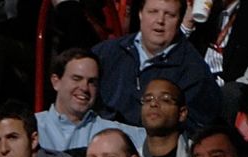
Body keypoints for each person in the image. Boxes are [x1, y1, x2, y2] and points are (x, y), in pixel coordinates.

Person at [93, 0, 221, 134]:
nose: (160, 20)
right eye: (153, 12)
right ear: (140, 14)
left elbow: (199, 129)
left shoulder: (195, 71)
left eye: (169, 15)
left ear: (179, 20)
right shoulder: (106, 53)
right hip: (98, 138)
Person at [40, 49, 143, 154]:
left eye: (92, 82)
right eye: (76, 79)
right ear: (56, 82)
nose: (84, 88)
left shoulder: (115, 133)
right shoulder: (35, 127)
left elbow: (151, 140)